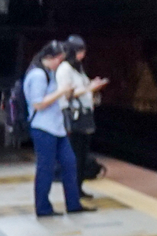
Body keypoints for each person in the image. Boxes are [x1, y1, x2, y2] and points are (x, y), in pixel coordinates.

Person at [22, 42, 89, 218]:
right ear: (50, 57)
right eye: (59, 60)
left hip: (57, 128)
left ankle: (73, 204)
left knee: (69, 162)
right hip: (43, 128)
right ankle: (43, 208)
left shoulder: (49, 73)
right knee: (46, 168)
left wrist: (67, 92)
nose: (60, 63)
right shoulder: (38, 75)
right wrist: (61, 92)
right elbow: (38, 104)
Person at [56, 35, 109, 198]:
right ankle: (72, 191)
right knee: (75, 155)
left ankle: (78, 188)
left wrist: (93, 85)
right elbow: (66, 94)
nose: (82, 55)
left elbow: (83, 87)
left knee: (82, 155)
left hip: (84, 115)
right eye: (79, 51)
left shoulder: (78, 69)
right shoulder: (65, 69)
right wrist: (89, 88)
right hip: (74, 116)